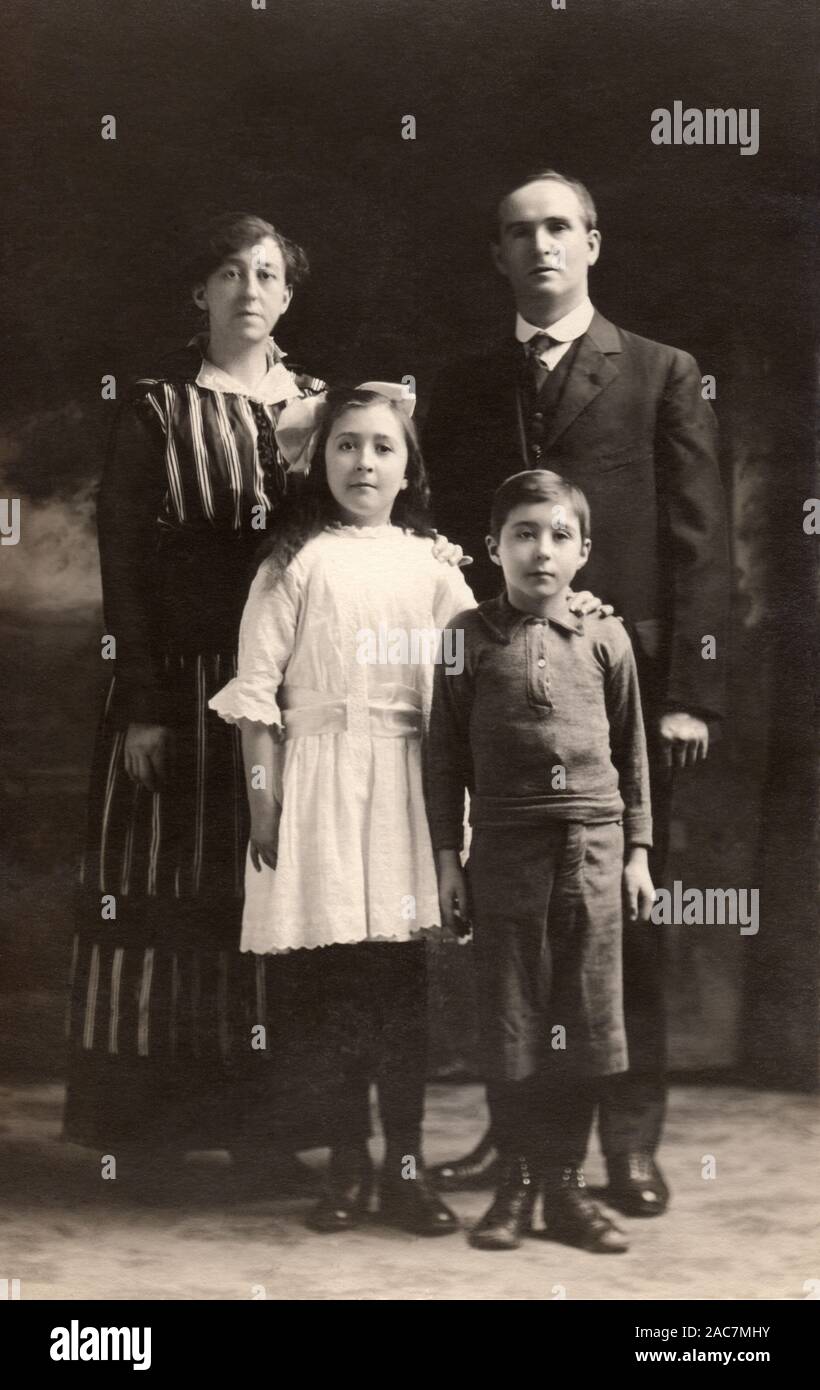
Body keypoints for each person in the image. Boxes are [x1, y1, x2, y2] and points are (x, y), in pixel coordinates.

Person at [424, 169, 730, 1215]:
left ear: (593, 242)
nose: (540, 245)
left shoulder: (661, 374)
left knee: (622, 921)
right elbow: (450, 545)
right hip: (504, 697)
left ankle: (625, 1146)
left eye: (560, 227)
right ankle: (515, 1143)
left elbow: (700, 545)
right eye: (519, 232)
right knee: (515, 926)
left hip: (622, 698)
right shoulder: (465, 384)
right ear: (497, 255)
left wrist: (688, 692)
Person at [64, 213, 333, 1178]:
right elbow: (126, 561)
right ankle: (147, 1134)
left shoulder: (321, 406)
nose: (248, 289)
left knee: (267, 895)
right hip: (177, 684)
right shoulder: (154, 408)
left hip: (287, 697)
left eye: (267, 274)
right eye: (228, 272)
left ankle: (268, 1135)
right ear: (201, 293)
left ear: (288, 296)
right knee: (166, 892)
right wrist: (141, 698)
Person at [209, 383, 474, 1236]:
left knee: (398, 990)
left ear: (408, 466)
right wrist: (263, 806)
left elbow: (484, 673)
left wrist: (574, 610)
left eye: (383, 447)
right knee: (326, 992)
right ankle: (346, 1167)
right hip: (317, 791)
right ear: (320, 461)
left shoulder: (435, 568)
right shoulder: (292, 563)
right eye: (347, 445)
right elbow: (255, 700)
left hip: (408, 790)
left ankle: (405, 1168)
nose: (365, 461)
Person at [427, 470, 655, 1252]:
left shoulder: (606, 638)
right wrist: (448, 862)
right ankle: (516, 1190)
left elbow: (632, 754)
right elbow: (443, 759)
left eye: (560, 535)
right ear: (493, 547)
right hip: (506, 854)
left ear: (584, 551)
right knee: (513, 1021)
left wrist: (638, 853)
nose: (541, 551)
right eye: (523, 534)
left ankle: (566, 1192)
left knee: (585, 1025)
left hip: (592, 851)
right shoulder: (465, 637)